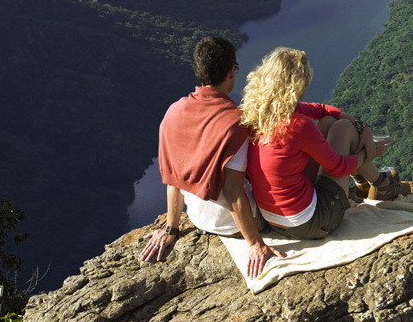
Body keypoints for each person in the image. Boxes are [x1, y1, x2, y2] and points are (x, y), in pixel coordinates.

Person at [140, 36, 279, 277]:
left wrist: (171, 229)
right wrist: (256, 245)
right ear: (231, 73)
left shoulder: (173, 112)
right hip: (234, 224)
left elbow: (173, 177)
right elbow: (233, 190)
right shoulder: (235, 121)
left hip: (197, 218)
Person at [240, 47, 397, 240]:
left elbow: (322, 109)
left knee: (328, 122)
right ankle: (381, 184)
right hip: (312, 222)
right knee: (343, 129)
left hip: (276, 221)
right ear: (298, 85)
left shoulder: (257, 115)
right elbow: (339, 168)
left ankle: (372, 183)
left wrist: (364, 128)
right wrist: (369, 151)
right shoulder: (297, 125)